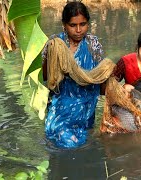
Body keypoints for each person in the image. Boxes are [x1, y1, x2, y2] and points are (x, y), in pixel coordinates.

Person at [42, 2, 104, 149]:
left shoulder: (92, 44)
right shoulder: (54, 43)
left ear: (88, 23)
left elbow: (100, 75)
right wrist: (52, 59)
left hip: (86, 108)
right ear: (64, 24)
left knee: (84, 147)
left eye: (82, 24)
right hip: (60, 107)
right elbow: (46, 77)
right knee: (67, 143)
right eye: (72, 25)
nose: (78, 30)